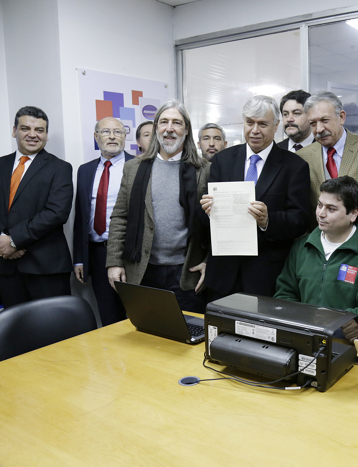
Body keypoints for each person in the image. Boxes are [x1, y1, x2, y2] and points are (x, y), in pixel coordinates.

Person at [200, 95, 312, 299]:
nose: (254, 130)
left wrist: (268, 220)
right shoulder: (222, 160)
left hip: (267, 274)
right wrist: (208, 211)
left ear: (276, 125)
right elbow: (204, 219)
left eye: (262, 124)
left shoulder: (294, 166)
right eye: (249, 122)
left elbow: (301, 220)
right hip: (223, 273)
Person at [106, 100, 209, 313]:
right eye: (164, 122)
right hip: (142, 271)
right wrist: (114, 262)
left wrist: (210, 262)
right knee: (144, 330)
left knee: (188, 331)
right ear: (156, 128)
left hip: (187, 273)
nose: (169, 128)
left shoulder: (204, 170)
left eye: (176, 123)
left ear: (186, 130)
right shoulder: (133, 168)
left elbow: (217, 222)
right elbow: (120, 217)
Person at [0, 106, 73, 308]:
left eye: (39, 130)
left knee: (53, 325)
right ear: (14, 131)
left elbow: (56, 213)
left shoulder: (60, 168)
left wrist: (14, 240)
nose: (33, 134)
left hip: (46, 267)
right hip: (6, 265)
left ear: (46, 135)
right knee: (16, 325)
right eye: (25, 128)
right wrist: (4, 242)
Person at [275, 176, 358, 342]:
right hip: (303, 339)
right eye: (319, 205)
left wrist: (339, 324)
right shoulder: (302, 246)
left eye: (331, 209)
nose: (321, 214)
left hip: (348, 345)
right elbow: (284, 294)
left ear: (353, 213)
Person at [298, 91, 358, 250]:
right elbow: (302, 213)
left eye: (325, 120)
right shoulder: (303, 157)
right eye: (313, 123)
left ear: (342, 117)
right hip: (319, 251)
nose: (319, 129)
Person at [73, 117, 134, 326]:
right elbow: (80, 216)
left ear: (124, 136)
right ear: (96, 137)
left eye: (118, 132)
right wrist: (79, 258)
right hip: (98, 254)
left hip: (130, 253)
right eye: (106, 131)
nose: (112, 136)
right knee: (109, 317)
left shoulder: (138, 166)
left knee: (138, 315)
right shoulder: (85, 170)